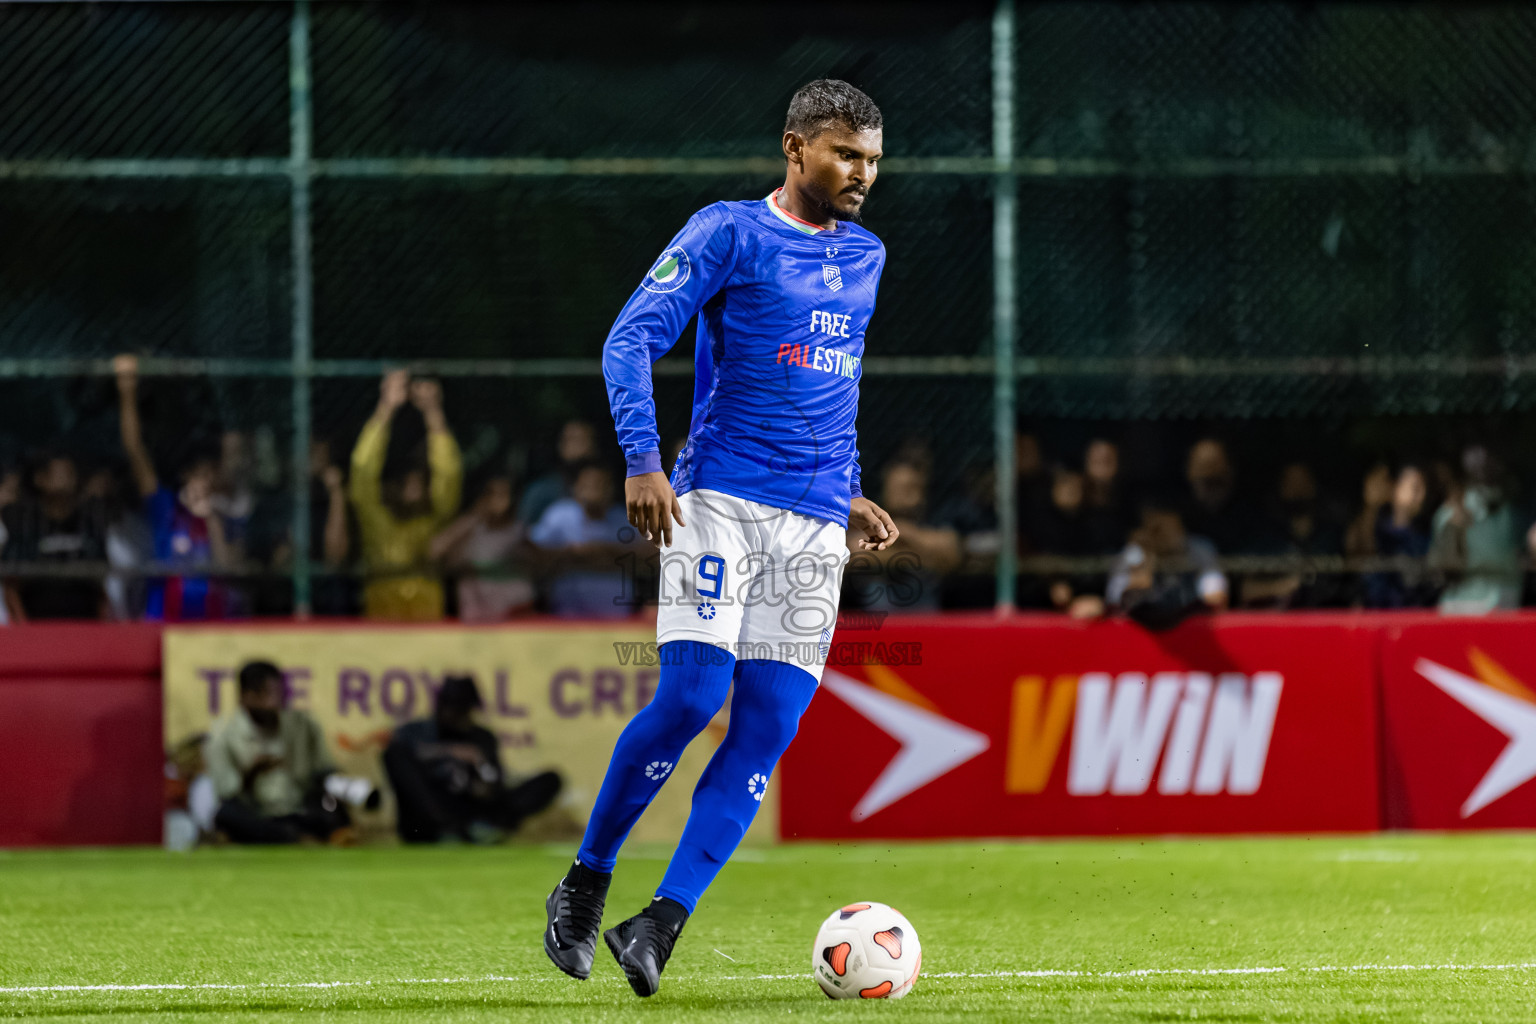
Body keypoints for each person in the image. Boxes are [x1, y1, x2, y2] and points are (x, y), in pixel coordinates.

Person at [542, 80, 897, 997]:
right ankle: (585, 880)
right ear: (794, 148)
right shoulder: (728, 232)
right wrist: (641, 460)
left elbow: (834, 385)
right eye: (844, 154)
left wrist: (848, 491)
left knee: (769, 724)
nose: (861, 173)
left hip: (814, 524)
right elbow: (630, 339)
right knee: (695, 698)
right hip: (719, 501)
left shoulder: (866, 254)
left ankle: (659, 924)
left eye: (871, 159)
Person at [113, 355, 240, 620]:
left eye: (209, 475)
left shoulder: (226, 514)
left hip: (214, 625)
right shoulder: (165, 507)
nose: (203, 482)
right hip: (164, 624)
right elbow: (134, 450)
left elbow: (227, 568)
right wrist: (127, 391)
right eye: (198, 474)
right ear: (185, 476)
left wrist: (212, 519)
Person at [205, 660, 376, 844]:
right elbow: (227, 792)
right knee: (226, 814)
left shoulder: (302, 725)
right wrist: (253, 773)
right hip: (258, 814)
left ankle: (326, 833)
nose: (276, 703)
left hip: (300, 809)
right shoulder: (223, 736)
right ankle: (295, 838)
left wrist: (344, 786)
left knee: (328, 794)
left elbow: (324, 770)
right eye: (267, 695)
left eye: (279, 694)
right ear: (247, 697)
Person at [383, 676, 562, 843]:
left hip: (472, 810)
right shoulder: (415, 732)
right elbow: (405, 762)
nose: (456, 715)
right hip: (429, 814)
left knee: (550, 780)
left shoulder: (482, 738)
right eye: (452, 707)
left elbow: (494, 782)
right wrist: (450, 752)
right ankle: (449, 828)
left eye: (463, 709)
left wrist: (482, 782)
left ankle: (482, 828)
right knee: (394, 755)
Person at [350, 370, 463, 620]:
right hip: (382, 623)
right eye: (405, 484)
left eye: (419, 484)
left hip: (426, 625)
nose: (412, 491)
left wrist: (434, 413)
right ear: (392, 488)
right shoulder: (376, 520)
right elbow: (362, 472)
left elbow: (449, 474)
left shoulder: (435, 521)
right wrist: (386, 408)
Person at [1, 451, 110, 620]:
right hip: (37, 623)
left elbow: (101, 587)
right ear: (40, 479)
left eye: (70, 473)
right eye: (60, 473)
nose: (66, 479)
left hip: (84, 623)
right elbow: (11, 585)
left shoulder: (90, 521)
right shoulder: (24, 523)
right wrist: (24, 630)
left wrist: (102, 628)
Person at [528, 461, 638, 619]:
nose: (595, 490)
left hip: (615, 612)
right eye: (588, 484)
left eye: (601, 484)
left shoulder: (625, 518)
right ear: (576, 487)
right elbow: (533, 553)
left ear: (612, 488)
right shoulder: (559, 514)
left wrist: (603, 550)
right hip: (567, 610)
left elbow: (647, 557)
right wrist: (570, 553)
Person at [1103, 491, 1228, 629]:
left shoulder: (1200, 549)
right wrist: (1145, 560)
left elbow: (1216, 599)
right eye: (1156, 529)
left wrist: (1178, 556)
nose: (1164, 535)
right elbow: (1117, 606)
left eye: (1170, 527)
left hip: (1191, 632)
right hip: (1144, 634)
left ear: (1180, 526)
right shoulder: (1132, 554)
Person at [848, 461, 961, 613]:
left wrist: (905, 535)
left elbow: (950, 554)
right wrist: (921, 555)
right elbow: (855, 552)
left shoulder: (935, 518)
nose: (902, 495)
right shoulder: (870, 518)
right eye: (896, 487)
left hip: (927, 615)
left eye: (909, 488)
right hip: (877, 618)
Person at [431, 473, 536, 622]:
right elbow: (435, 550)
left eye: (502, 495)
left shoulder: (519, 531)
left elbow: (537, 563)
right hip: (475, 608)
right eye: (491, 494)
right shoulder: (471, 527)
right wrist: (475, 516)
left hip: (511, 611)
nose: (496, 501)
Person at [1431, 445, 1522, 614]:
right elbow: (1442, 571)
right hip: (1461, 606)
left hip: (1504, 603)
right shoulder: (1445, 517)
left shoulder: (1506, 513)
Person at [1363, 464, 1433, 608]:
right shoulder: (1374, 530)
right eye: (1415, 488)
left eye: (1423, 489)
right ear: (1395, 488)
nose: (1421, 496)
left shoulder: (1426, 537)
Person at [518, 420, 599, 527]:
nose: (573, 446)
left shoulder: (609, 489)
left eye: (580, 440)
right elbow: (524, 531)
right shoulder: (541, 491)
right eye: (568, 439)